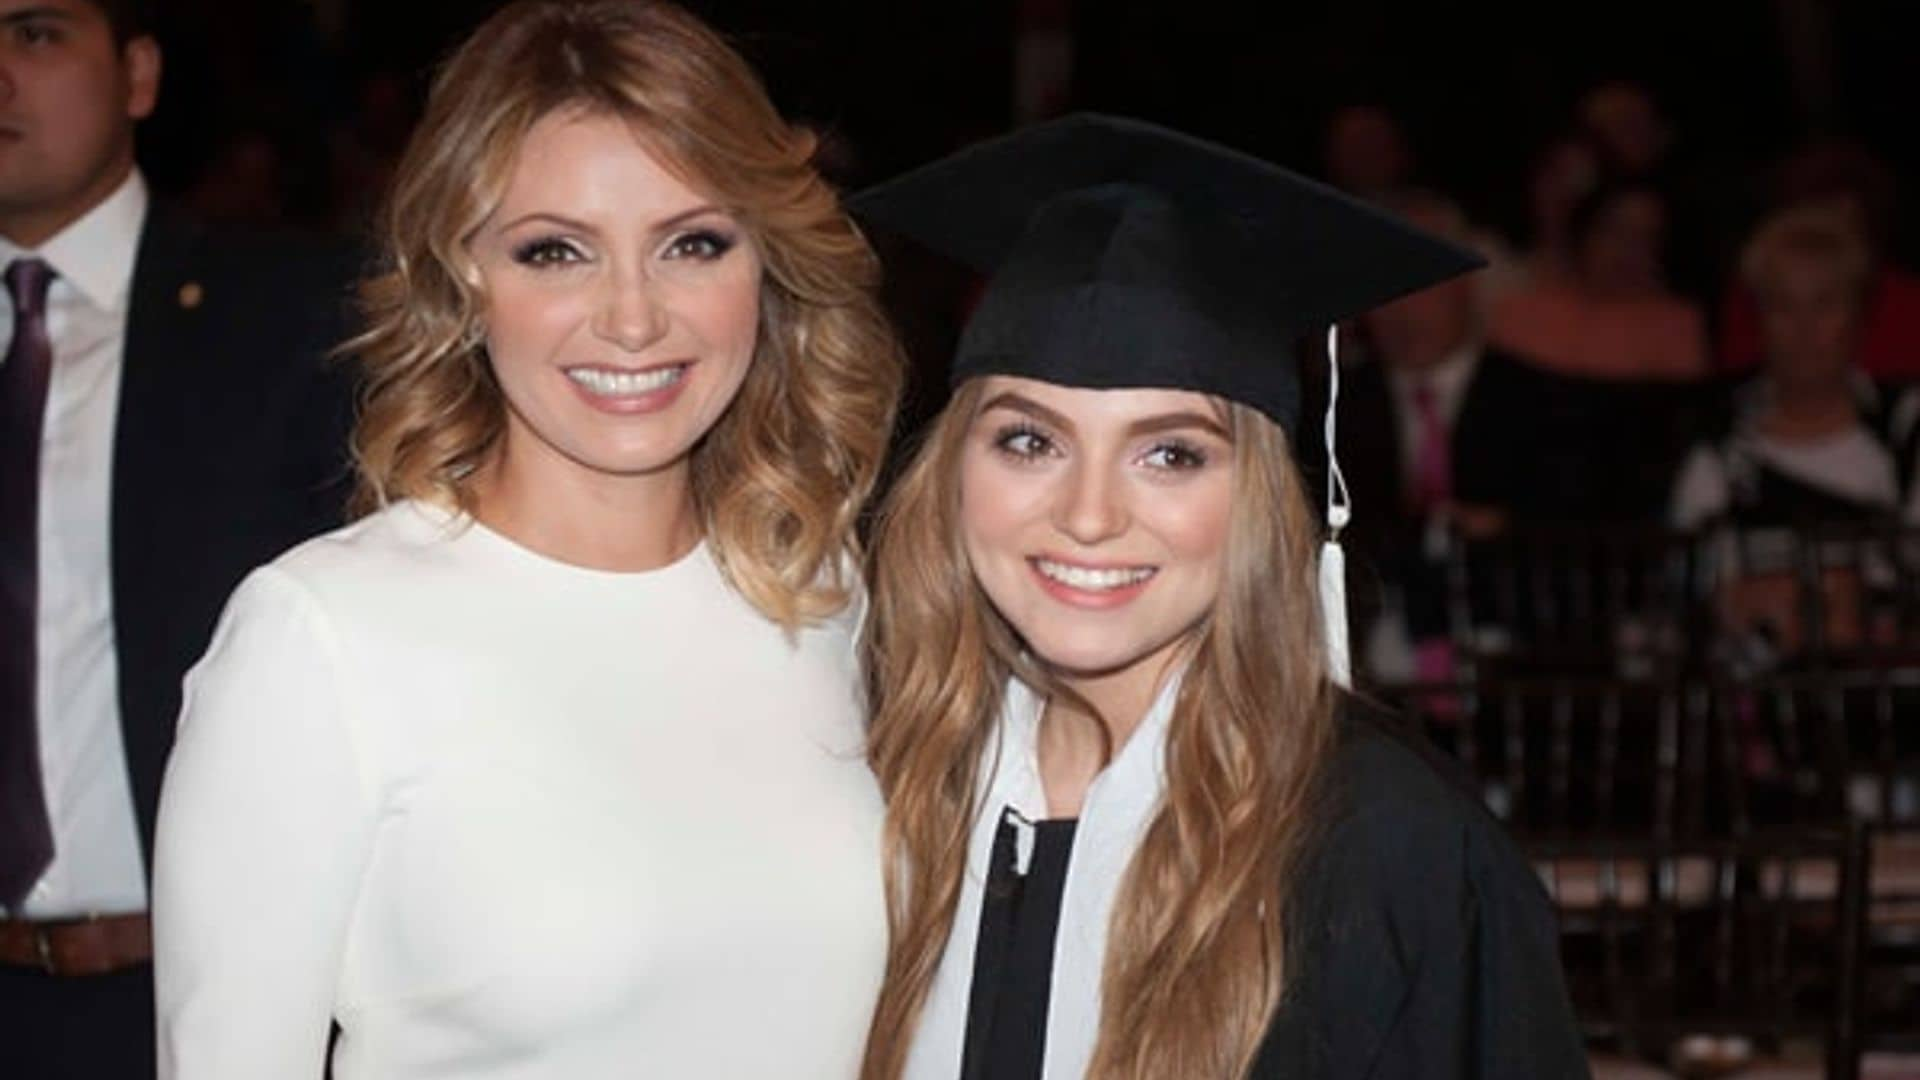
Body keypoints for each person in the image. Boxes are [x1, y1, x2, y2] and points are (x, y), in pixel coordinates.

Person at [151, 1, 903, 1076]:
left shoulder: (825, 594)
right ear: (463, 283)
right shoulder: (320, 638)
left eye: (693, 243)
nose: (633, 318)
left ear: (768, 270)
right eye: (556, 252)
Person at [853, 115, 1587, 1079]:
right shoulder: (893, 786)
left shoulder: (1383, 850)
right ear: (951, 471)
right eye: (1029, 440)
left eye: (1171, 454)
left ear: (1259, 503)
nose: (1087, 514)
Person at [0, 1, 356, 1075]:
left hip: (206, 999)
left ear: (140, 73)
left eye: (38, 32)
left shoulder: (299, 320)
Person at [1489, 180, 1708, 381]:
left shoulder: (1675, 325)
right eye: (1615, 230)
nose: (1628, 250)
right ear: (1586, 232)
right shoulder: (1523, 313)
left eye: (1646, 237)